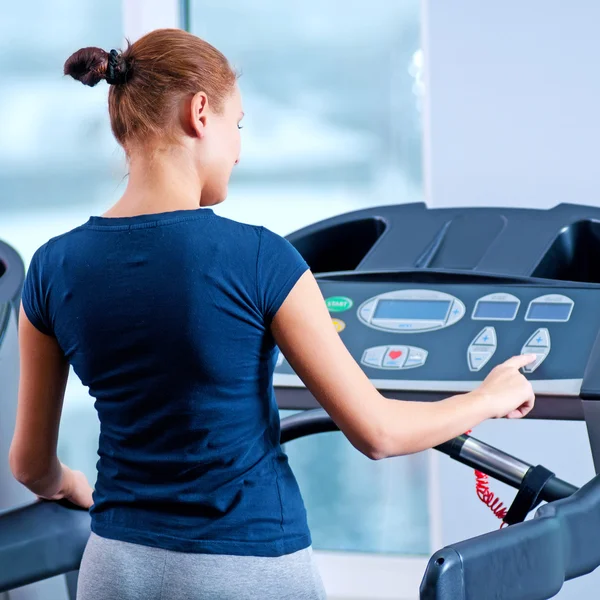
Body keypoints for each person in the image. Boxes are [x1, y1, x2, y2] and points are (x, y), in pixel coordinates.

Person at [8, 28, 536, 600]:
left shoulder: (51, 267)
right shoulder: (259, 258)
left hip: (115, 568)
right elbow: (379, 434)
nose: (238, 148)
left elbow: (30, 465)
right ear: (200, 113)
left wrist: (69, 483)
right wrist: (488, 397)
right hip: (247, 568)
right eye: (238, 126)